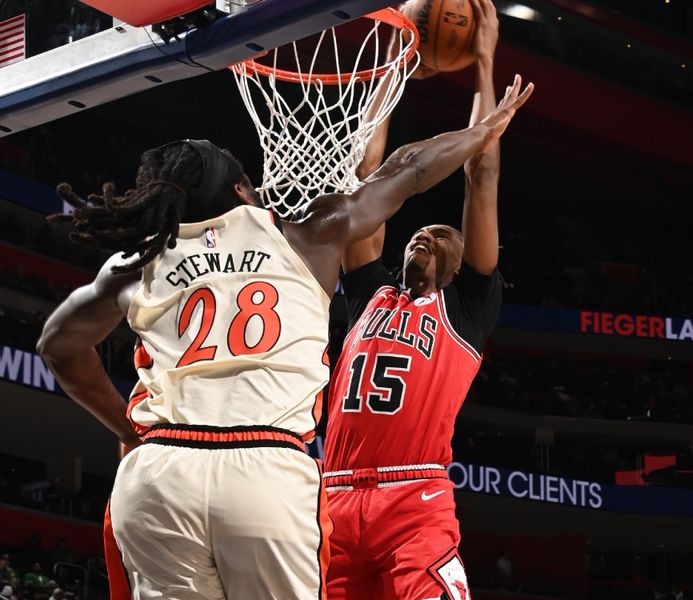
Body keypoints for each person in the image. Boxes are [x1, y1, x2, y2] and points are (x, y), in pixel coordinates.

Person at [37, 71, 532, 600]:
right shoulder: (303, 235)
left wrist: (127, 426)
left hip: (159, 473)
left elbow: (57, 346)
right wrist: (483, 131)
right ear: (239, 192)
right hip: (263, 466)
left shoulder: (137, 261)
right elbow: (407, 170)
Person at [323, 1, 518, 597]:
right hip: (328, 499)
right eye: (418, 230)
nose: (425, 232)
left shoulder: (465, 311)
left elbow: (479, 180)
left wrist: (483, 64)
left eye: (441, 235)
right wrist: (391, 67)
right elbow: (365, 179)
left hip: (415, 500)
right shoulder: (367, 293)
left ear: (464, 267)